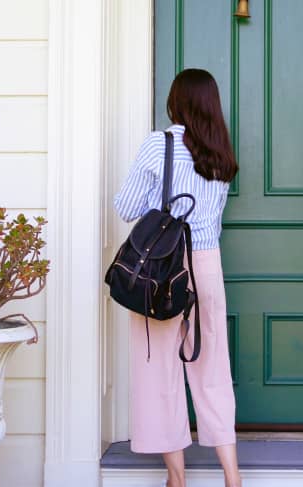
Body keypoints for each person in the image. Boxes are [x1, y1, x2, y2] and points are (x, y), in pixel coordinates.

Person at [113, 68, 242, 487]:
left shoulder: (160, 144)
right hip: (206, 262)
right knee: (212, 366)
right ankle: (232, 475)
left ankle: (177, 477)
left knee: (158, 370)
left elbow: (127, 206)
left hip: (163, 268)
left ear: (176, 101)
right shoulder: (220, 153)